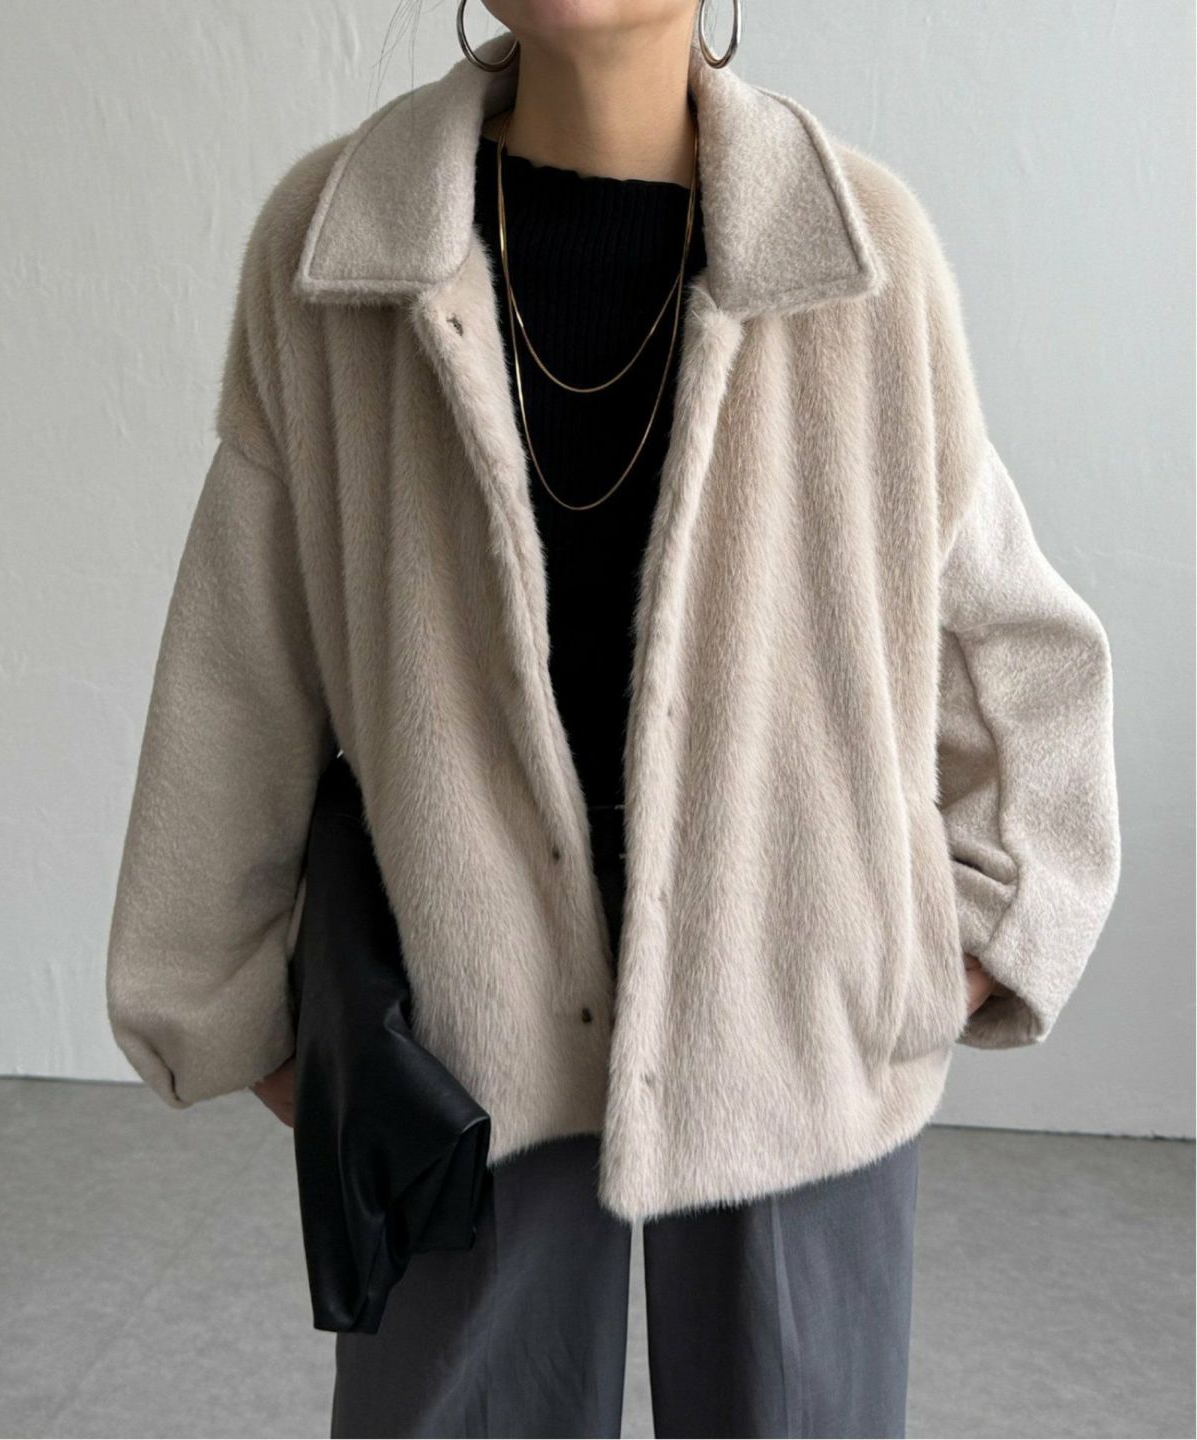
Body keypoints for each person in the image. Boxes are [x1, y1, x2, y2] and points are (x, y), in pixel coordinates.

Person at [105, 1, 1122, 1435]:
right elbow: (238, 667)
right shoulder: (337, 244)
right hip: (457, 1039)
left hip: (797, 1031)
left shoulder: (858, 252)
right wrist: (243, 1017)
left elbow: (1019, 652)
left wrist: (926, 966)